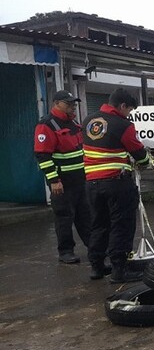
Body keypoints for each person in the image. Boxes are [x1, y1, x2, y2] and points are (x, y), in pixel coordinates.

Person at [82, 88, 150, 283]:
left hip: (92, 184)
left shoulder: (88, 121)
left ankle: (96, 266)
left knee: (98, 225)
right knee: (122, 225)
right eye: (129, 110)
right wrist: (145, 163)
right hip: (116, 184)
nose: (129, 114)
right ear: (122, 106)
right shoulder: (123, 125)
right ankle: (119, 270)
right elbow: (138, 152)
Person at [34, 90, 92, 264]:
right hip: (62, 182)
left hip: (80, 180)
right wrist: (54, 180)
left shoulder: (73, 122)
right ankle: (66, 251)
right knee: (64, 217)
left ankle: (94, 247)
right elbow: (42, 156)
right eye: (68, 103)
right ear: (57, 103)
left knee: (86, 216)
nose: (72, 106)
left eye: (73, 103)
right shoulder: (46, 125)